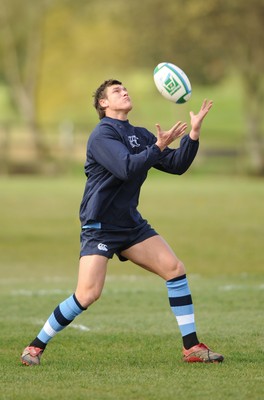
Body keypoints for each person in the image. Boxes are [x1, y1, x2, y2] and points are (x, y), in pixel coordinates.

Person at [21, 79, 224, 366]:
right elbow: (126, 168)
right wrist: (157, 146)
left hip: (130, 224)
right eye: (116, 91)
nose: (125, 91)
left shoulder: (139, 134)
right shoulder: (101, 135)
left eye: (125, 88)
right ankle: (34, 347)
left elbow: (176, 166)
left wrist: (193, 134)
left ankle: (191, 347)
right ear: (103, 103)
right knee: (88, 294)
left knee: (174, 269)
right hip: (100, 224)